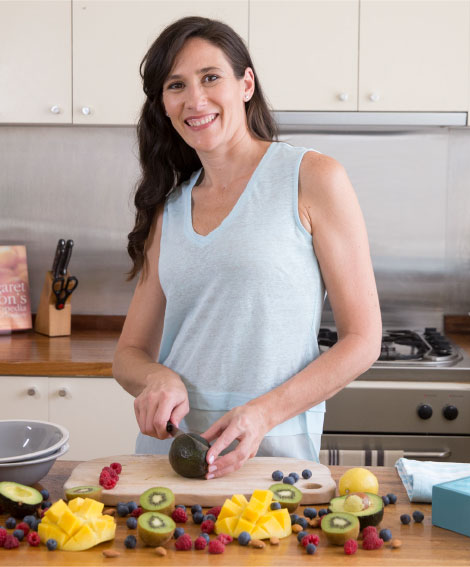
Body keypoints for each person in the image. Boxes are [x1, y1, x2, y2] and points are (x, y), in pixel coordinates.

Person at [112, 16, 380, 480]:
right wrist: (157, 377)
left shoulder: (311, 178)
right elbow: (129, 353)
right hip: (170, 458)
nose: (195, 100)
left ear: (246, 84)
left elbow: (362, 341)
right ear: (164, 105)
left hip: (273, 454)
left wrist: (262, 413)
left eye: (210, 77)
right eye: (176, 86)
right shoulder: (168, 207)